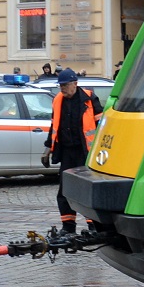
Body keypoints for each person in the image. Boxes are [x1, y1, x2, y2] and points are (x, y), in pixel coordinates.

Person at [46, 67, 104, 230]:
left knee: (87, 189)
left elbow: (101, 125)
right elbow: (54, 126)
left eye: (65, 85)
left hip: (86, 152)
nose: (62, 88)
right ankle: (68, 225)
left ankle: (93, 225)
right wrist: (47, 148)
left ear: (75, 84)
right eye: (60, 86)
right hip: (67, 152)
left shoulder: (89, 98)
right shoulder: (58, 100)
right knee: (65, 190)